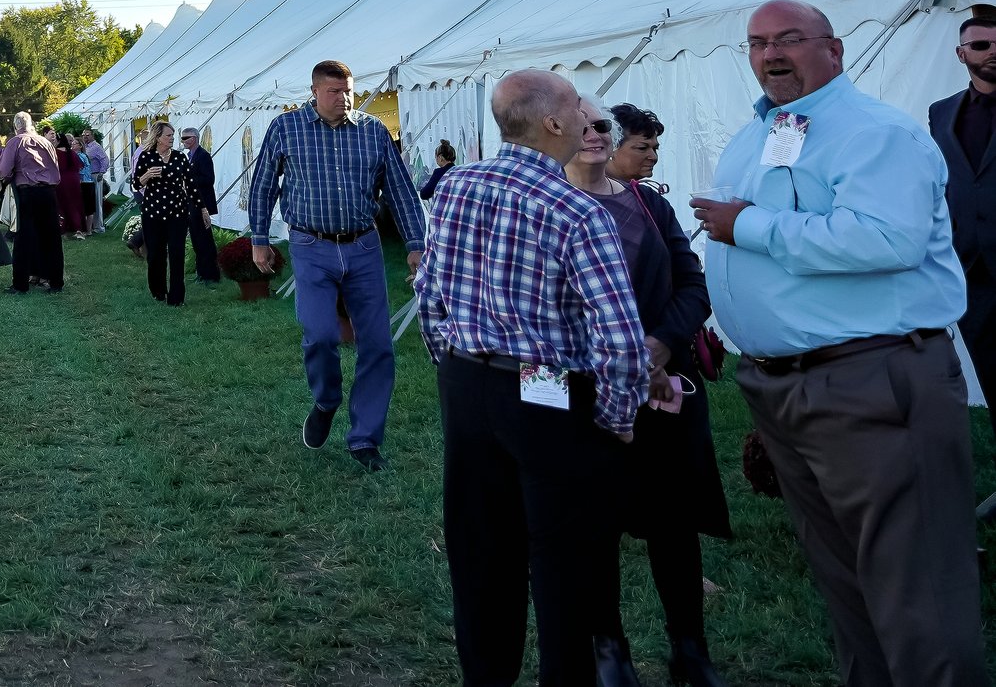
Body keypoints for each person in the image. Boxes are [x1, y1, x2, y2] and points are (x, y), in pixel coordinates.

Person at [689, 0, 979, 687]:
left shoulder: (873, 132)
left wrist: (749, 226)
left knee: (916, 586)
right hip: (789, 386)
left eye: (788, 39)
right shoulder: (764, 131)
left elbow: (887, 238)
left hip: (871, 379)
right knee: (844, 579)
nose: (770, 54)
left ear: (835, 48)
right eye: (756, 43)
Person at [415, 68, 650, 687]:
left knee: (480, 551)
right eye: (578, 108)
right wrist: (617, 418)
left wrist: (459, 370)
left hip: (468, 385)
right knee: (564, 559)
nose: (587, 120)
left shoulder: (456, 186)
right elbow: (622, 339)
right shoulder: (577, 211)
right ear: (551, 123)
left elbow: (430, 294)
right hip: (545, 391)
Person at [570, 102, 732, 687]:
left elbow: (692, 283)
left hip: (661, 388)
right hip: (582, 390)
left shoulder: (647, 203)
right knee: (593, 522)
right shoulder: (544, 205)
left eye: (601, 128)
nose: (592, 136)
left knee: (673, 519)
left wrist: (661, 343)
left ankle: (690, 650)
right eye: (581, 126)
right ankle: (609, 650)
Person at [247, 60, 426, 470]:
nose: (343, 99)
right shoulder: (286, 128)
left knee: (378, 344)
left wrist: (416, 243)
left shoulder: (372, 131)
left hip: (363, 246)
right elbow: (262, 186)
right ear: (314, 91)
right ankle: (327, 398)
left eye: (348, 91)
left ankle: (365, 439)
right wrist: (259, 240)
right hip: (311, 245)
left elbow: (400, 190)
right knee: (320, 333)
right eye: (334, 91)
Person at [926, 3, 996, 441]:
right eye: (982, 45)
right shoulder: (940, 114)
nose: (993, 52)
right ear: (961, 53)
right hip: (974, 275)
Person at [0, 111, 65, 294]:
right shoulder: (46, 142)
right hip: (49, 192)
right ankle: (55, 282)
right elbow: (55, 167)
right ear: (31, 123)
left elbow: (4, 171)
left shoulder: (15, 142)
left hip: (28, 193)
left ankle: (20, 284)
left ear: (15, 126)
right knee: (51, 238)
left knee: (24, 238)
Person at [136, 132, 198, 305]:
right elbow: (135, 185)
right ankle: (158, 291)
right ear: (158, 137)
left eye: (173, 135)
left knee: (177, 254)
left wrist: (203, 209)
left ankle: (177, 297)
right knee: (156, 254)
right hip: (152, 214)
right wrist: (146, 176)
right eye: (168, 135)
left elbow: (191, 184)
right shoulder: (146, 156)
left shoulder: (180, 157)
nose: (172, 138)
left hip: (177, 212)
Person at [178, 127, 222, 284]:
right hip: (192, 203)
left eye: (185, 138)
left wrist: (188, 181)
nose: (182, 141)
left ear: (193, 138)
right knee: (197, 239)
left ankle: (210, 274)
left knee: (204, 240)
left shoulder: (203, 156)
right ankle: (201, 272)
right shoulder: (189, 156)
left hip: (202, 203)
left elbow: (209, 179)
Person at [55, 129, 89, 238]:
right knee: (75, 204)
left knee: (61, 204)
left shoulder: (55, 152)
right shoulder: (71, 153)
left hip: (61, 180)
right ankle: (78, 229)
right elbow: (80, 166)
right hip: (74, 180)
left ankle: (63, 229)